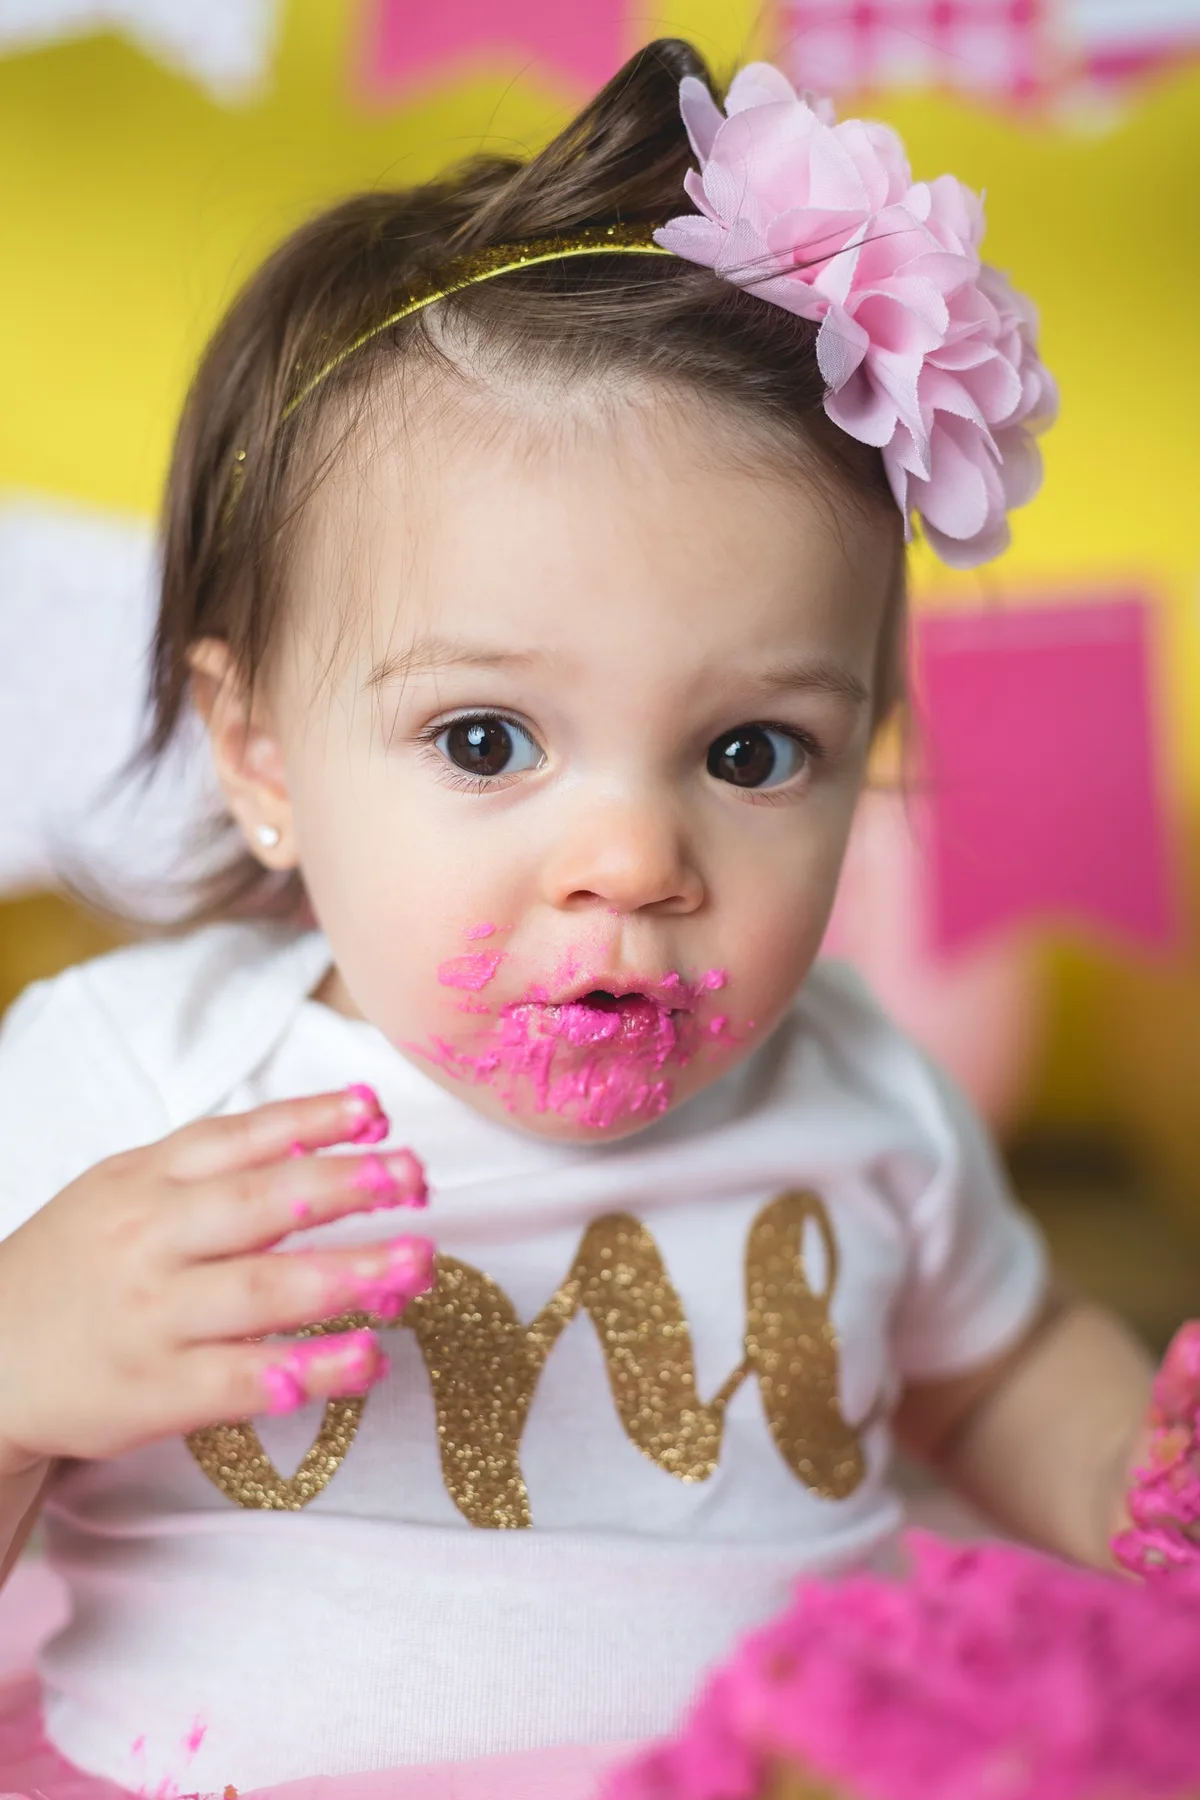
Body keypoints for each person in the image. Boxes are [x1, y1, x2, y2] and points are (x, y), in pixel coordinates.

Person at [0, 37, 1172, 1800]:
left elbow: (992, 1372)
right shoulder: (129, 1086)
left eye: (754, 749)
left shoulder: (860, 1084)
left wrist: (1128, 1475)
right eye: (486, 741)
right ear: (262, 756)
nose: (633, 856)